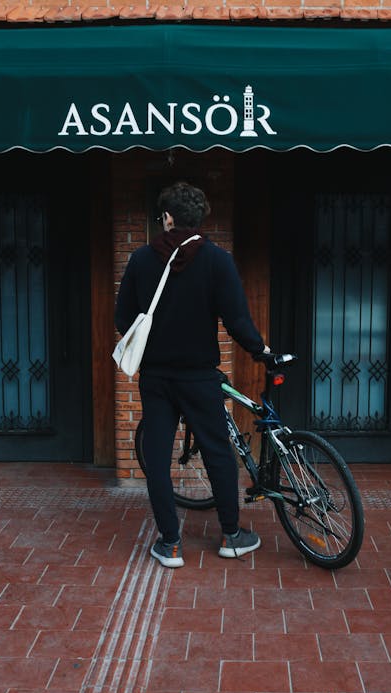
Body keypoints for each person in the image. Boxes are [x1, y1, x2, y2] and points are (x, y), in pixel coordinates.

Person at [115, 181, 270, 568]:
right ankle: (232, 536)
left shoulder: (140, 260)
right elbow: (236, 320)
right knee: (218, 452)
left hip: (156, 378)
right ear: (199, 219)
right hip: (200, 377)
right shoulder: (217, 260)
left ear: (167, 218)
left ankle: (170, 544)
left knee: (156, 455)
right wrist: (259, 350)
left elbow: (123, 320)